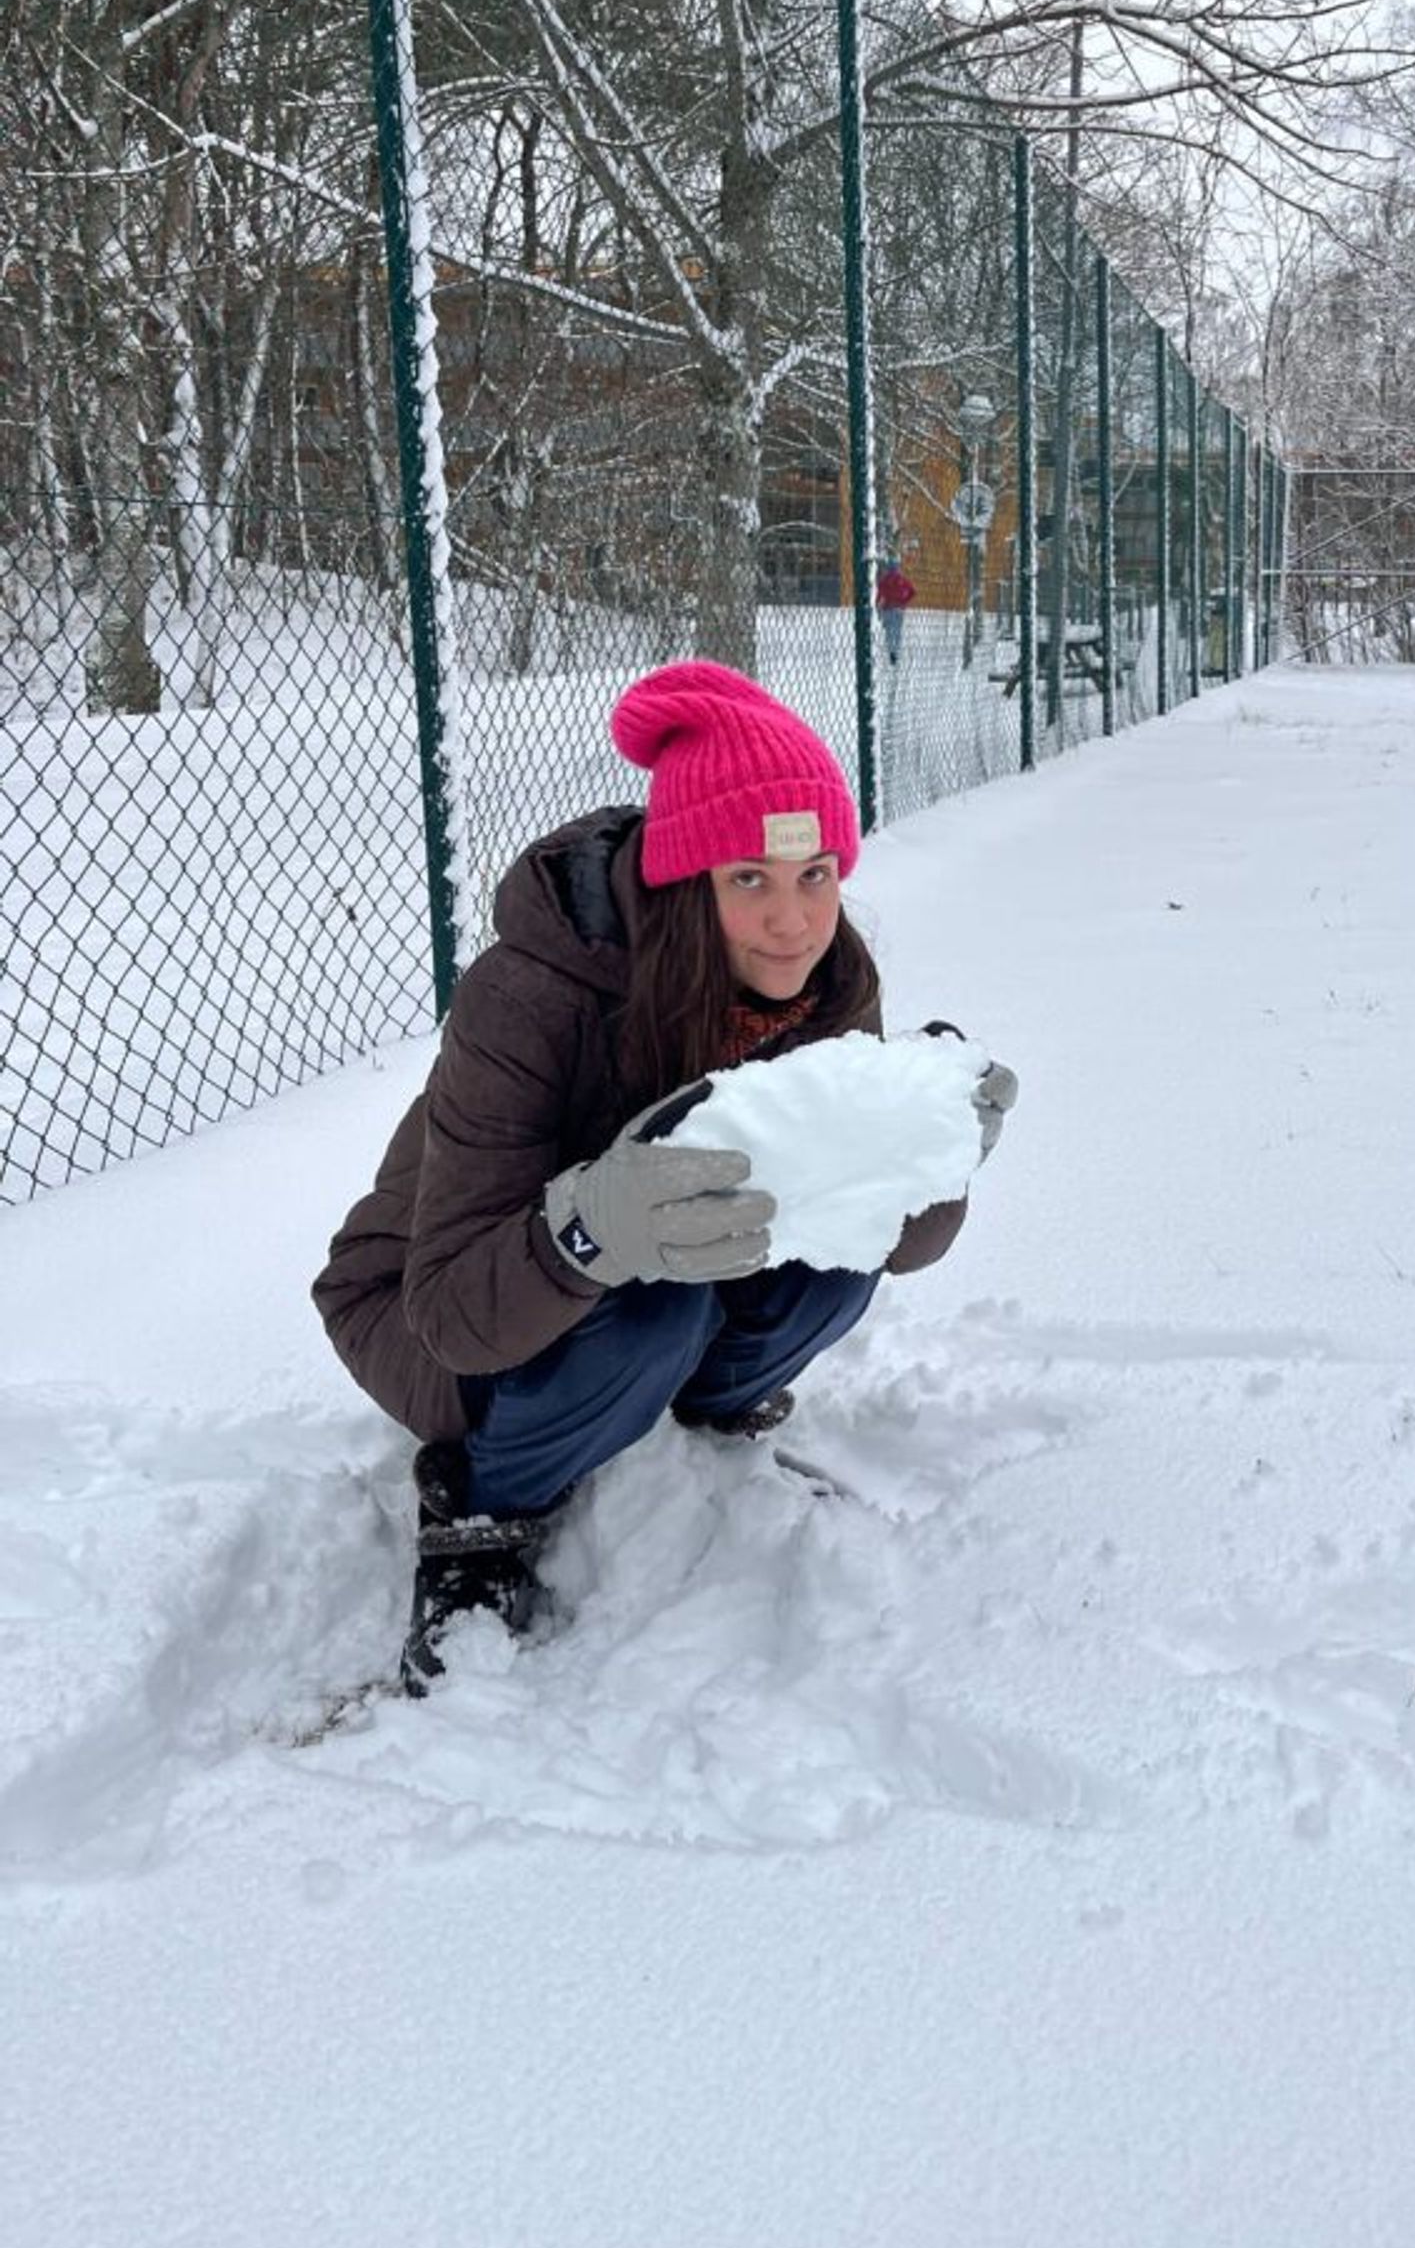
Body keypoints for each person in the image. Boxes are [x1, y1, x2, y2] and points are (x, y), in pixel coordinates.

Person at [313, 659, 1017, 1692]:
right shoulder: (531, 993)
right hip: (425, 1308)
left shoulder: (830, 978)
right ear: (688, 882)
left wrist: (929, 1157)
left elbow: (892, 1247)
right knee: (657, 1314)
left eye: (817, 873)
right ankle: (484, 1502)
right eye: (751, 880)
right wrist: (589, 1225)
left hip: (626, 1289)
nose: (794, 920)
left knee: (833, 1261)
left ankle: (703, 1420)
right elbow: (454, 1310)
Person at [876, 553, 916, 665]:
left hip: (887, 608)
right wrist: (904, 601)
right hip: (899, 609)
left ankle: (891, 652)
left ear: (888, 567)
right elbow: (913, 592)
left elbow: (879, 596)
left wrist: (878, 609)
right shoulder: (902, 579)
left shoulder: (884, 580)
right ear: (898, 567)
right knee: (897, 632)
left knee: (889, 631)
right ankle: (896, 653)